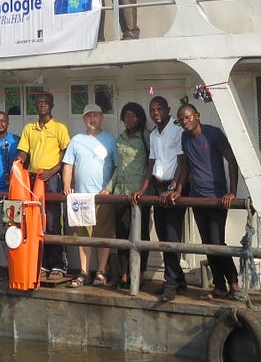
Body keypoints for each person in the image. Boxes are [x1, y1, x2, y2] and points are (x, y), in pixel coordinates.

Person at [164, 103, 241, 301]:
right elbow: (187, 164)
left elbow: (232, 160)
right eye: (181, 119)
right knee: (207, 244)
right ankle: (219, 286)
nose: (185, 121)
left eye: (188, 117)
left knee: (217, 242)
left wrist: (232, 192)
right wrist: (179, 190)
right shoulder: (184, 137)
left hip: (216, 197)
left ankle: (234, 284)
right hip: (197, 197)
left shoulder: (212, 134)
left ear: (197, 116)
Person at [133, 96, 187, 302]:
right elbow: (151, 164)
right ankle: (178, 279)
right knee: (163, 234)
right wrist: (142, 189)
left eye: (159, 109)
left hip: (174, 186)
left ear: (167, 109)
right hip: (158, 187)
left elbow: (183, 162)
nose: (155, 113)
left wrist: (174, 186)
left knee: (172, 235)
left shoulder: (177, 128)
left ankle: (171, 284)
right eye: (152, 110)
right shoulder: (154, 134)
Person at [15, 92, 70, 280]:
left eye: (46, 102)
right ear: (36, 106)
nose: (42, 105)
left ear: (51, 105)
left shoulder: (60, 128)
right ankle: (42, 264)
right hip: (32, 178)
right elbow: (23, 152)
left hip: (52, 178)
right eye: (39, 102)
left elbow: (66, 156)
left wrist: (53, 171)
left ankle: (58, 265)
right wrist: (18, 161)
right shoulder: (29, 128)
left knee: (53, 221)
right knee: (36, 222)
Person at [61, 104, 118, 288]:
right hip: (81, 197)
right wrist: (67, 186)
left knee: (103, 235)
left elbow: (117, 167)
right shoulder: (76, 140)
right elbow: (68, 165)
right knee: (83, 236)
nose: (92, 119)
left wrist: (109, 189)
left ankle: (101, 272)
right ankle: (84, 272)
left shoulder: (110, 140)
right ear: (84, 119)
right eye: (88, 116)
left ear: (101, 117)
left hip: (103, 196)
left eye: (95, 116)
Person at [111, 101, 151, 289]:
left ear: (140, 117)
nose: (129, 118)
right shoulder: (120, 138)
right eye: (126, 115)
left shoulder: (146, 136)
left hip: (139, 194)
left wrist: (144, 188)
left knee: (140, 234)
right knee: (122, 235)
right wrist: (109, 188)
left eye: (133, 115)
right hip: (121, 192)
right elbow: (118, 167)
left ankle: (140, 273)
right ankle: (125, 273)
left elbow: (152, 164)